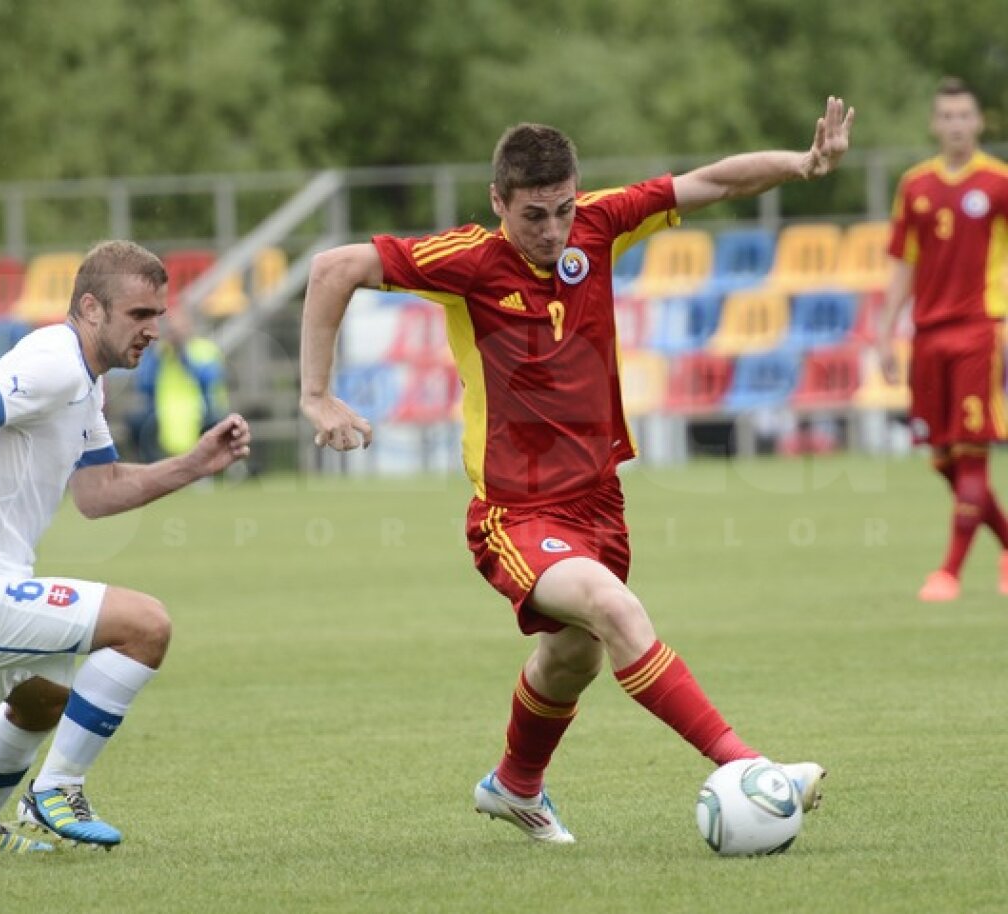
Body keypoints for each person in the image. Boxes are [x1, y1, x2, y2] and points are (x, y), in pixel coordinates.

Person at [300, 97, 854, 843]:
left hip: (600, 504)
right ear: (498, 202)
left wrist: (804, 163)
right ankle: (752, 769)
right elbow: (335, 267)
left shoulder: (598, 223)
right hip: (515, 514)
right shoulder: (467, 259)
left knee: (572, 657)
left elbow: (713, 183)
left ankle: (514, 786)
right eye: (533, 215)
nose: (553, 229)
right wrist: (317, 393)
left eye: (562, 209)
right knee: (616, 611)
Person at [0, 240, 251, 853]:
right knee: (145, 625)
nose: (154, 330)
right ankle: (56, 788)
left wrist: (193, 464)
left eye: (158, 315)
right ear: (90, 308)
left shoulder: (86, 382)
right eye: (140, 315)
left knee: (42, 702)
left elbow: (98, 491)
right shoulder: (56, 362)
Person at [878, 77, 1008, 603]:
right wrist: (885, 332)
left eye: (964, 116)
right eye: (947, 116)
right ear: (936, 124)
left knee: (970, 453)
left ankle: (948, 573)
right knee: (942, 459)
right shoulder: (915, 185)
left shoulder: (999, 183)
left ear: (979, 123)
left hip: (980, 330)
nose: (956, 125)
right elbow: (902, 262)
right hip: (927, 337)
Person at [129, 306, 230, 463]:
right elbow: (144, 385)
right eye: (172, 329)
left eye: (180, 328)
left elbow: (207, 380)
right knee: (136, 421)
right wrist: (156, 357)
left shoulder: (204, 349)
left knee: (212, 421)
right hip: (163, 410)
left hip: (201, 407)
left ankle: (206, 466)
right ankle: (150, 468)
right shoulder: (160, 353)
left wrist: (183, 354)